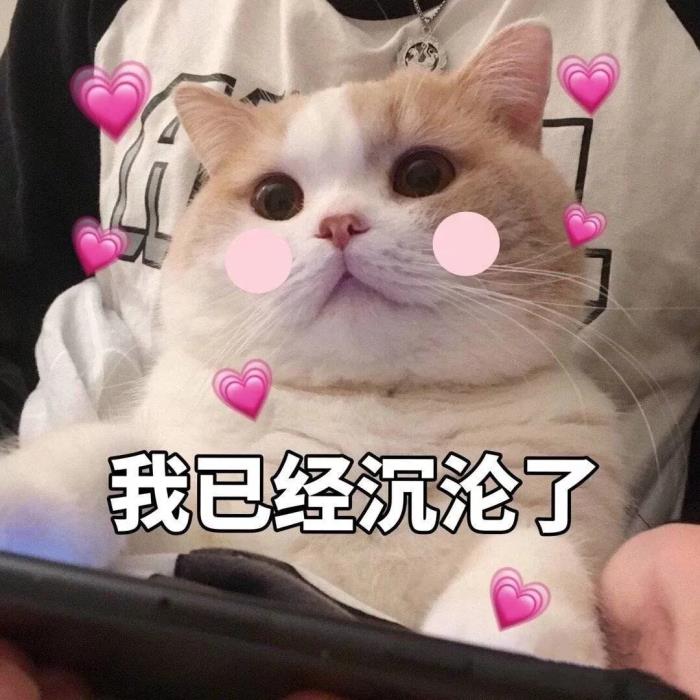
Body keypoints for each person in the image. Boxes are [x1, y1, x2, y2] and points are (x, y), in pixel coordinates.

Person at [0, 0, 698, 697]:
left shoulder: (564, 428)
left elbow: (540, 550)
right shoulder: (186, 399)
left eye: (420, 176)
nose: (338, 223)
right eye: (278, 200)